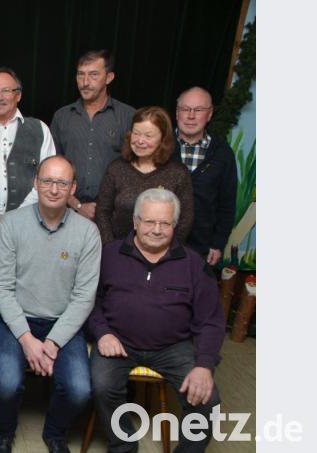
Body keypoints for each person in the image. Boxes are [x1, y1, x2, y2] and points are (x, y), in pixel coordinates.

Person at [88, 188, 225, 453]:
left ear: (175, 225)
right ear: (136, 221)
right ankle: (124, 445)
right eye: (150, 221)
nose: (157, 229)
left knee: (209, 401)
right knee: (102, 385)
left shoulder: (193, 264)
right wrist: (102, 332)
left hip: (173, 347)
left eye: (166, 223)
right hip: (118, 342)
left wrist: (205, 365)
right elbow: (89, 301)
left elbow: (211, 320)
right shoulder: (109, 255)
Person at [0, 156, 101, 453]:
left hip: (62, 323)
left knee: (79, 391)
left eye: (62, 183)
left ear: (72, 187)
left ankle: (55, 432)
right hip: (15, 319)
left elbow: (84, 297)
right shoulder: (11, 224)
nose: (53, 189)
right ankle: (5, 431)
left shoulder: (88, 233)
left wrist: (52, 343)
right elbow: (1, 288)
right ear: (35, 183)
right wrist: (26, 340)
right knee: (6, 383)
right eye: (47, 181)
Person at [0, 67, 57, 233]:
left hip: (29, 226)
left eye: (6, 91)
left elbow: (49, 180)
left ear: (18, 95)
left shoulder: (40, 129)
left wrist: (15, 218)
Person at [50, 50, 136, 221]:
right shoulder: (62, 116)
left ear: (109, 77)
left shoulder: (129, 117)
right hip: (67, 212)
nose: (85, 82)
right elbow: (51, 168)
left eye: (93, 75)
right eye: (81, 75)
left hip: (114, 215)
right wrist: (77, 205)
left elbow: (137, 169)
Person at [95, 106, 194, 244]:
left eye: (148, 135)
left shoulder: (178, 173)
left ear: (163, 139)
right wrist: (110, 249)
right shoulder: (116, 168)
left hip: (162, 255)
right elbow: (102, 212)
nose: (140, 141)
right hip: (118, 250)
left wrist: (167, 251)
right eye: (136, 133)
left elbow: (185, 219)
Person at [172, 86, 238, 266]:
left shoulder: (223, 154)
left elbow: (227, 203)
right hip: (158, 241)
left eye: (199, 110)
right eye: (185, 109)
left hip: (201, 248)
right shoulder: (161, 146)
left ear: (209, 115)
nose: (191, 116)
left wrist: (218, 243)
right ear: (177, 113)